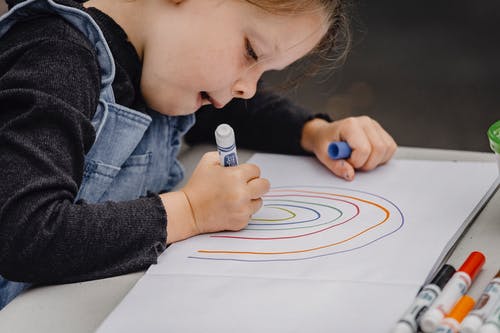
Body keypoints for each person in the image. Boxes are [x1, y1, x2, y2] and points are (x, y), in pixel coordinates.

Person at [0, 0, 397, 309]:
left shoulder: (158, 66)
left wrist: (314, 132)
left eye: (264, 73)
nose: (248, 89)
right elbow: (24, 232)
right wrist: (189, 211)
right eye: (250, 52)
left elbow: (233, 114)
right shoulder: (57, 59)